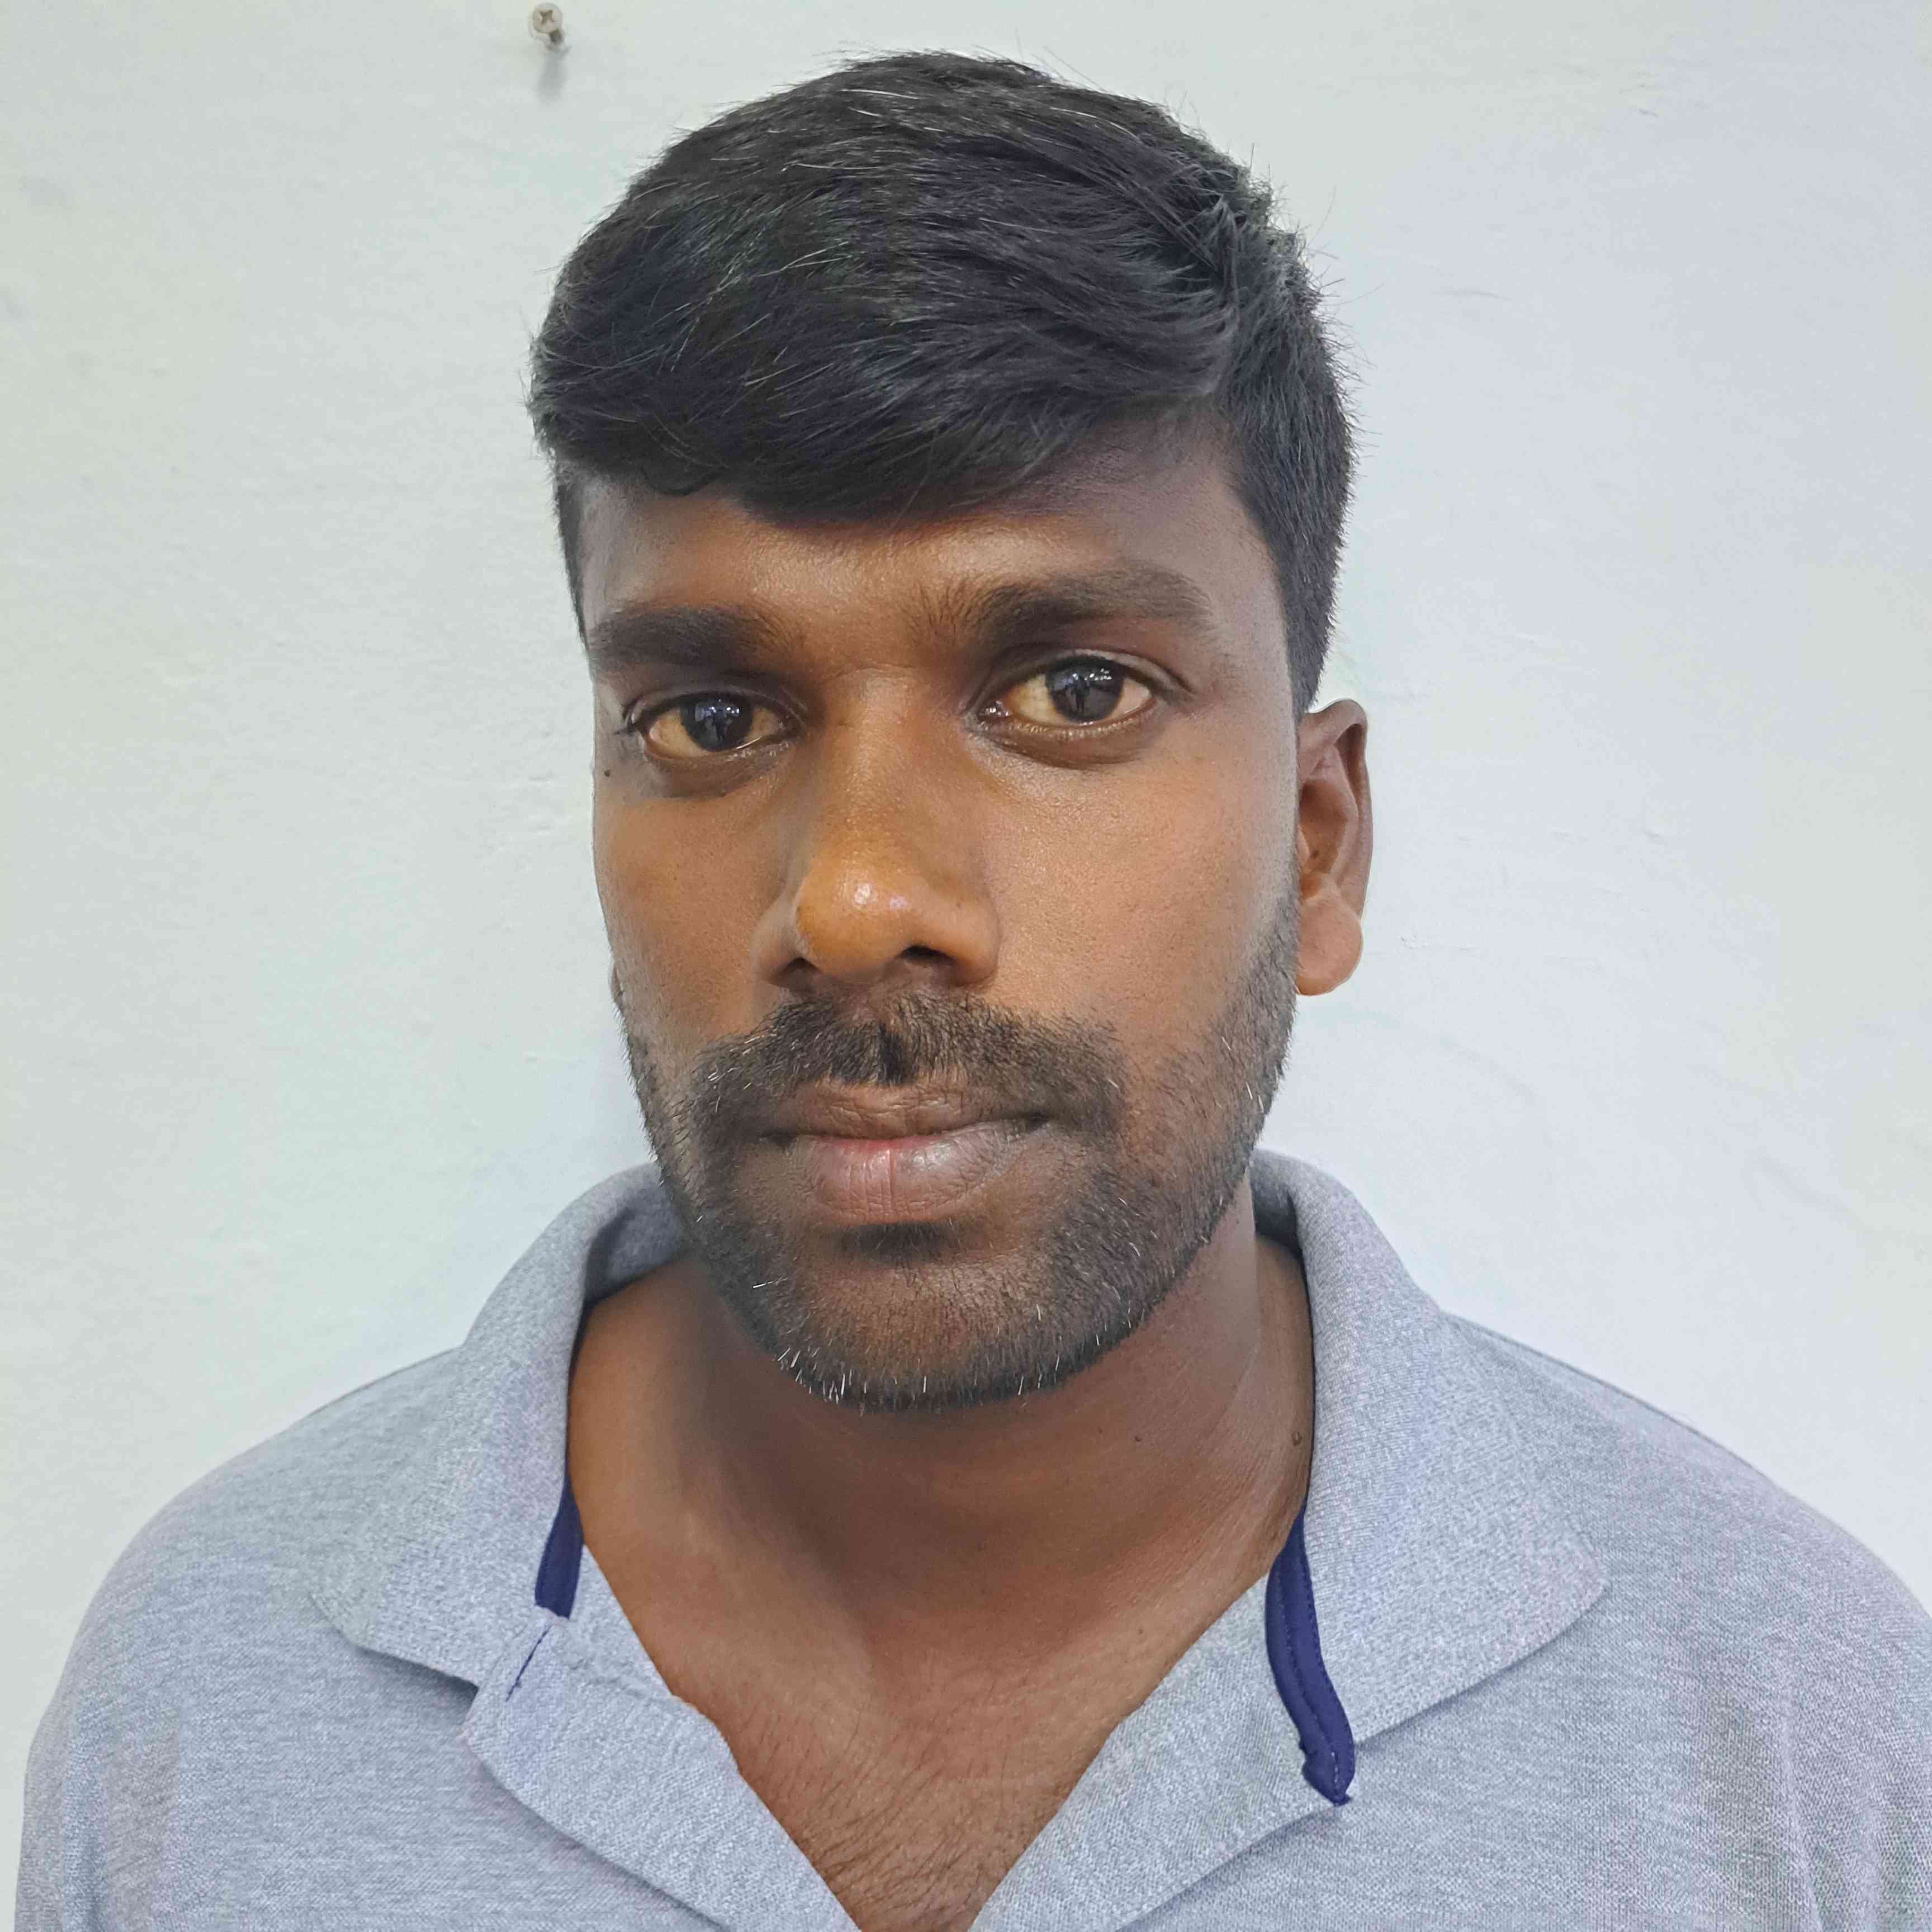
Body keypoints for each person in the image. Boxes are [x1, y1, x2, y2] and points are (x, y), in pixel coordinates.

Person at [18, 49, 1930, 1932]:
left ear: (1319, 845)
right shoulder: (212, 1703)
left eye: (1074, 693)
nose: (857, 900)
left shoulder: (1786, 1745)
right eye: (710, 719)